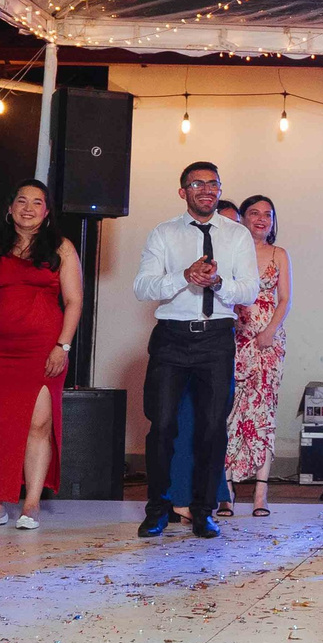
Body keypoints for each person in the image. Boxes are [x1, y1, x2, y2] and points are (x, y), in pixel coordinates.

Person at [132, 162, 255, 538]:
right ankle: (158, 509)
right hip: (171, 337)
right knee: (163, 425)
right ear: (183, 191)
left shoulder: (237, 236)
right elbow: (142, 287)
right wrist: (183, 277)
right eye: (197, 183)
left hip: (216, 338)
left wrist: (218, 283)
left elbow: (249, 291)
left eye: (213, 183)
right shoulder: (164, 234)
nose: (206, 189)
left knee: (212, 427)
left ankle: (203, 511)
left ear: (220, 189)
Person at [0, 181, 80, 531]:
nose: (28, 208)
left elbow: (74, 301)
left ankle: (31, 504)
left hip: (44, 350)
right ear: (10, 207)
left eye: (37, 202)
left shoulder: (60, 247)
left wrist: (62, 346)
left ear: (47, 212)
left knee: (38, 425)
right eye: (21, 201)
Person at [227, 194, 290, 518]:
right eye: (254, 213)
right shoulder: (233, 252)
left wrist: (269, 333)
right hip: (235, 338)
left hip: (269, 342)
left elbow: (285, 299)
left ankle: (261, 494)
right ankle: (225, 492)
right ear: (243, 217)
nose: (262, 219)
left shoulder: (279, 254)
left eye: (268, 213)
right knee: (231, 413)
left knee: (263, 412)